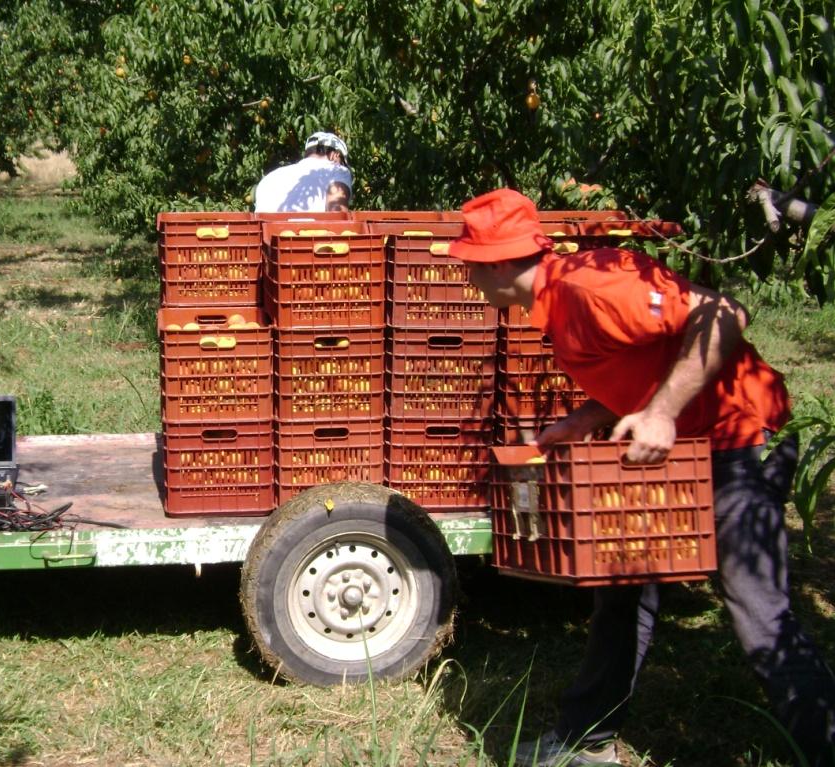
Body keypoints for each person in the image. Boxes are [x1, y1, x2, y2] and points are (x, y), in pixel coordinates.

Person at [448, 188, 835, 767]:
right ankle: (587, 741)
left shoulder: (593, 284)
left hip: (738, 440)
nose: (470, 282)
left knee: (757, 609)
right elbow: (645, 360)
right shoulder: (559, 297)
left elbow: (723, 314)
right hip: (684, 451)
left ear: (500, 263)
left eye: (472, 268)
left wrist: (662, 413)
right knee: (624, 588)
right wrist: (581, 421)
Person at [253, 131, 352, 213]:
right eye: (342, 161)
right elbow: (337, 214)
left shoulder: (270, 177)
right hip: (313, 235)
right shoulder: (337, 171)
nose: (341, 165)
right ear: (335, 155)